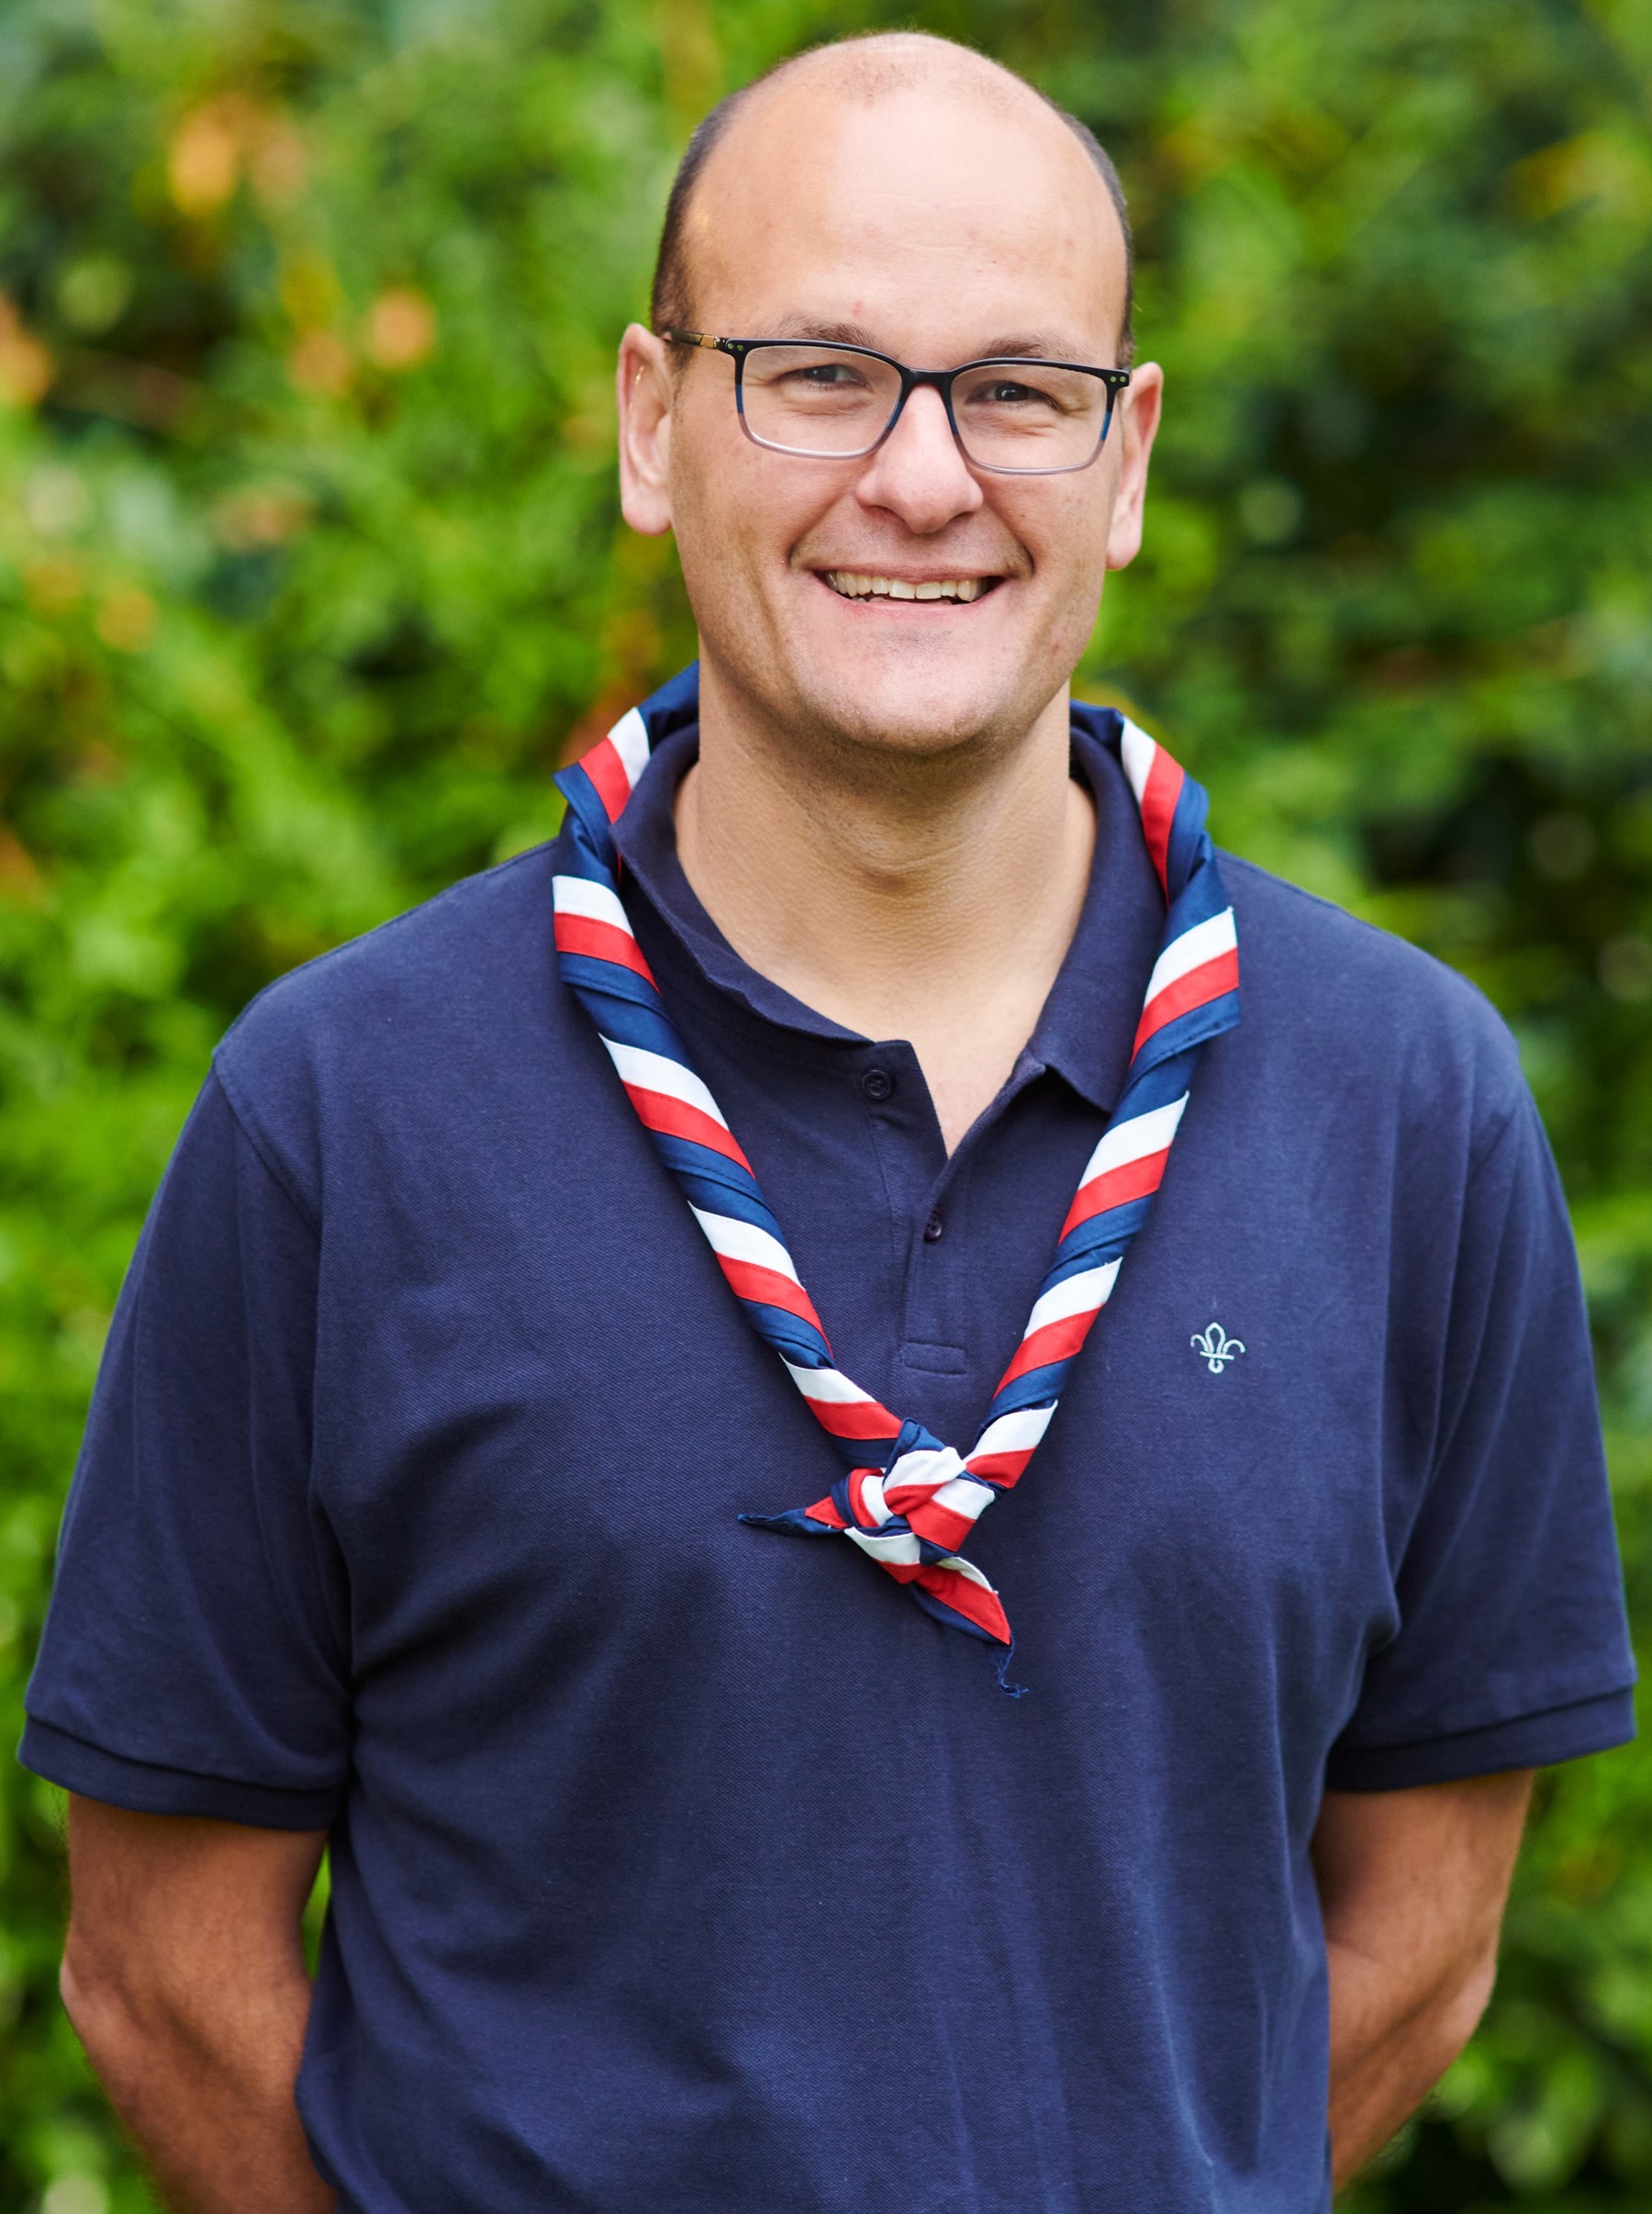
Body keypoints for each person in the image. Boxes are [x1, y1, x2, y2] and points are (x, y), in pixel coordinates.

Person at [21, 30, 1634, 2214]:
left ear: (1129, 456)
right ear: (649, 422)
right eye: (819, 372)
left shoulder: (1408, 1106)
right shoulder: (339, 1115)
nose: (923, 475)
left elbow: (1425, 1935)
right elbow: (164, 1968)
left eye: (1017, 390)